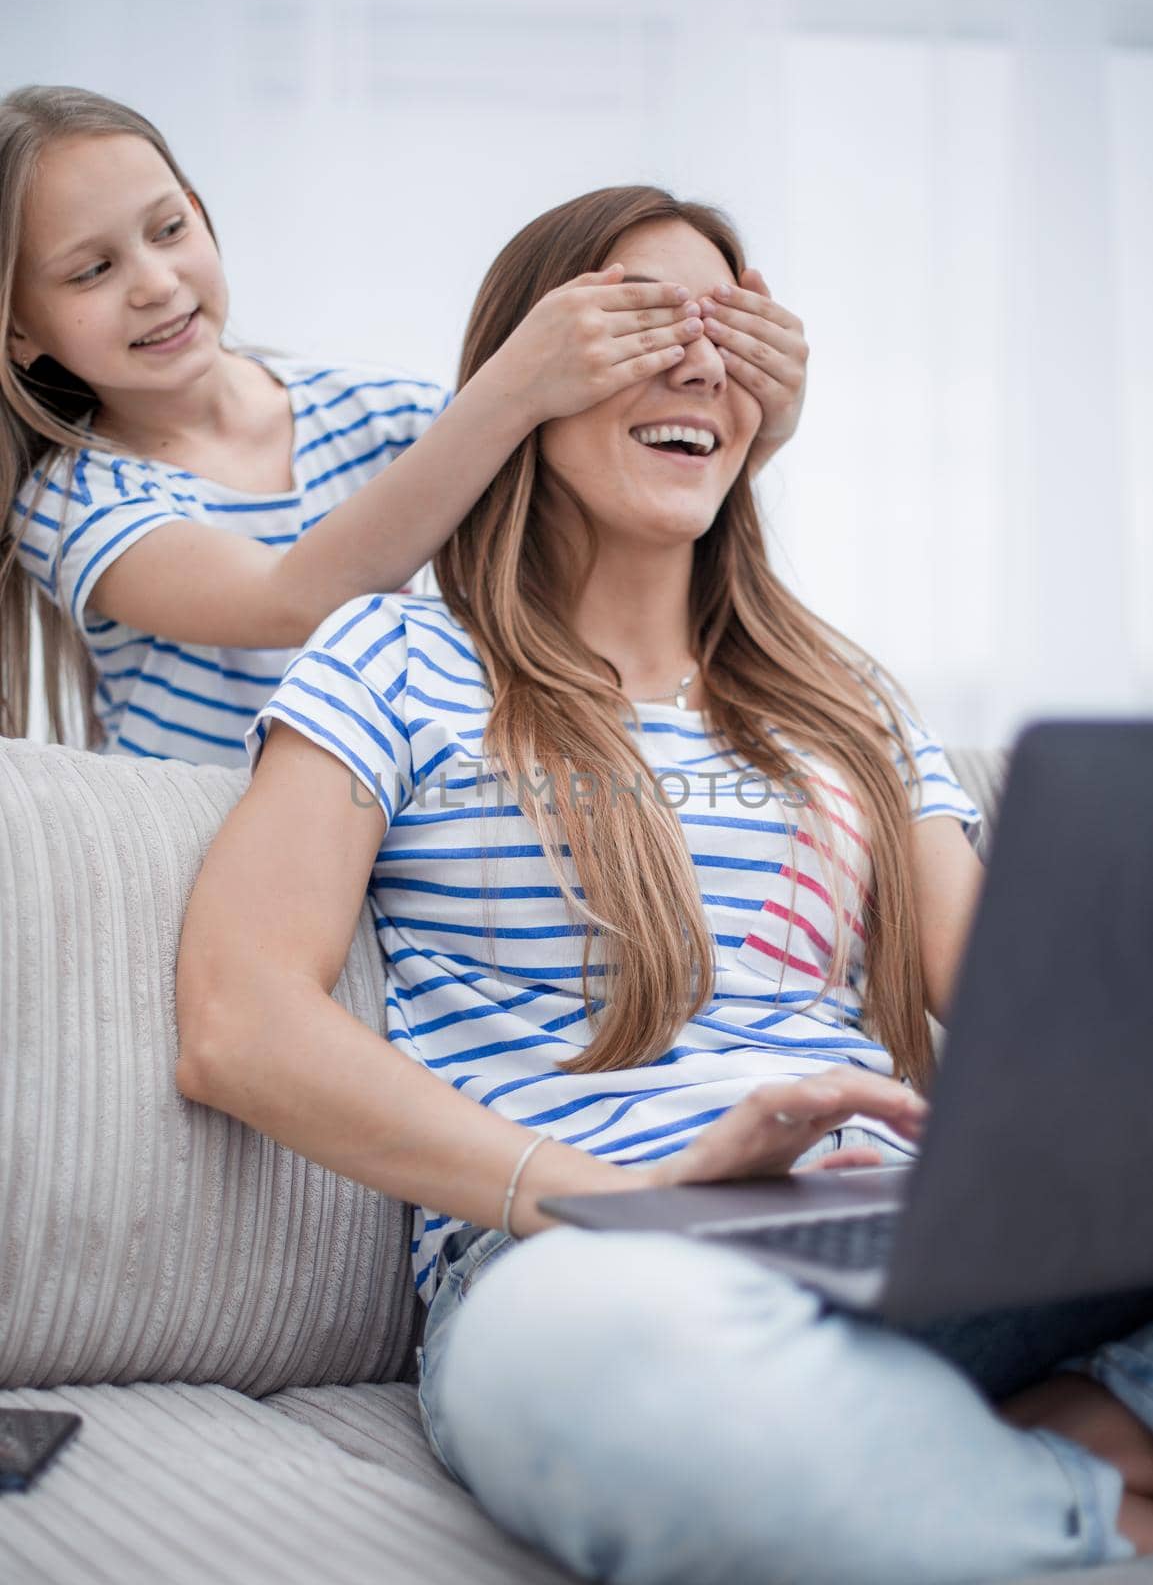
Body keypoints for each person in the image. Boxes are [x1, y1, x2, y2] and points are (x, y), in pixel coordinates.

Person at [172, 185, 1153, 1582]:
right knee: (603, 1366)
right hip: (598, 1266)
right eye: (643, 321)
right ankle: (1084, 1491)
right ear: (530, 372)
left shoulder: (847, 699)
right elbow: (236, 1017)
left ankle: (956, 1469)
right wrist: (606, 1203)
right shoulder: (392, 661)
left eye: (730, 332)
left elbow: (1023, 1005)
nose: (700, 360)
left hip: (914, 1232)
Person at [0, 85, 807, 764]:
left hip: (374, 826)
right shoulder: (74, 501)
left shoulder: (376, 413)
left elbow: (578, 520)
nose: (154, 282)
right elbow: (294, 601)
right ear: (18, 331)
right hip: (194, 856)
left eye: (169, 229)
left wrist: (754, 434)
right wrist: (515, 383)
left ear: (200, 214)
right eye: (91, 271)